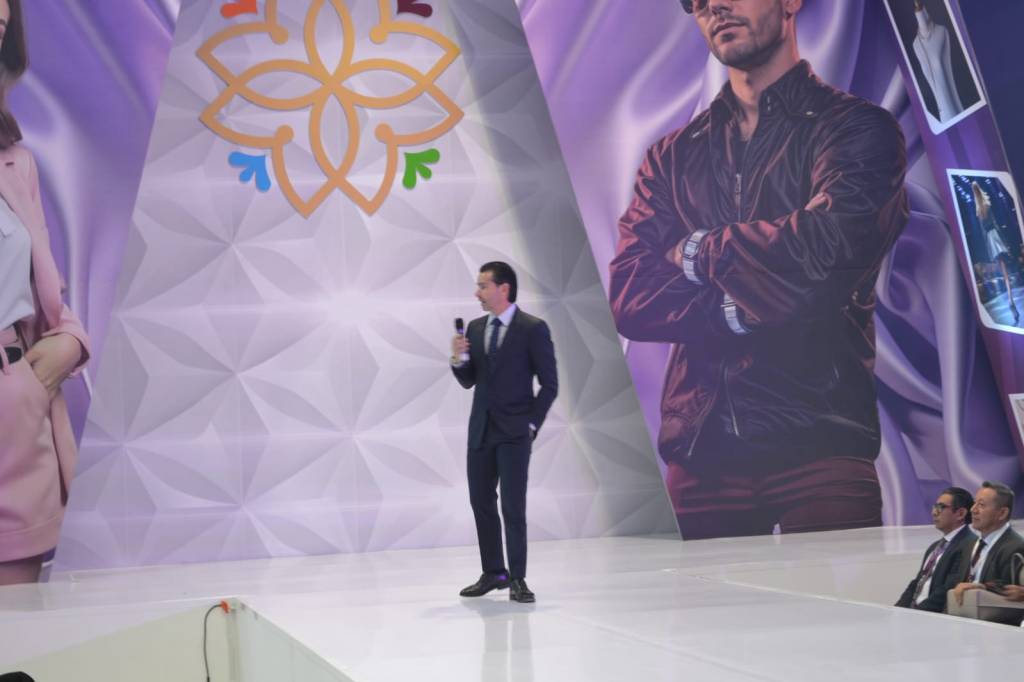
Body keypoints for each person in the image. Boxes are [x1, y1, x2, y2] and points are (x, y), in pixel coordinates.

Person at [609, 0, 909, 538]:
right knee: (695, 599)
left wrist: (697, 251)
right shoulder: (672, 156)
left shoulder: (857, 129)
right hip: (702, 452)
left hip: (821, 439)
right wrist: (739, 309)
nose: (714, 7)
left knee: (842, 597)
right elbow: (630, 296)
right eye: (697, 2)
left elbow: (829, 252)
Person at [0, 0, 90, 585]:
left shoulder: (16, 165)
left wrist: (70, 342)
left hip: (14, 422)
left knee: (15, 629)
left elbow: (43, 291)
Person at [450, 262, 557, 603]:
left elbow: (550, 384)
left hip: (514, 433)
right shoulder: (476, 328)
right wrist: (459, 360)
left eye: (483, 286)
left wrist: (531, 424)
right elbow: (470, 381)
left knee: (513, 506)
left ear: (503, 289)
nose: (477, 293)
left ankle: (518, 578)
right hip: (481, 430)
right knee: (481, 501)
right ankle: (494, 572)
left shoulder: (532, 328)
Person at [895, 487, 975, 612]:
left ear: (960, 514)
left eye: (941, 507)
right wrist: (896, 611)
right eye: (935, 507)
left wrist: (916, 614)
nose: (934, 512)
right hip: (916, 614)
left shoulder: (970, 545)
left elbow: (947, 590)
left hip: (934, 616)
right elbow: (917, 582)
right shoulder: (935, 547)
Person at [950, 481, 1024, 616]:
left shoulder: (1016, 546)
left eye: (981, 505)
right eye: (974, 503)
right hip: (960, 616)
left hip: (995, 623)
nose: (973, 509)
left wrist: (980, 587)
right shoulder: (969, 544)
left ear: (1002, 513)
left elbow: (1009, 589)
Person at [972, 181, 1019, 324]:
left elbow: (983, 232)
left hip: (990, 241)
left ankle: (1010, 301)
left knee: (1003, 273)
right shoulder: (987, 205)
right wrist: (1004, 242)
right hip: (996, 237)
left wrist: (988, 249)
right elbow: (996, 225)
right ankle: (1010, 300)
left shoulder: (978, 211)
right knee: (1005, 274)